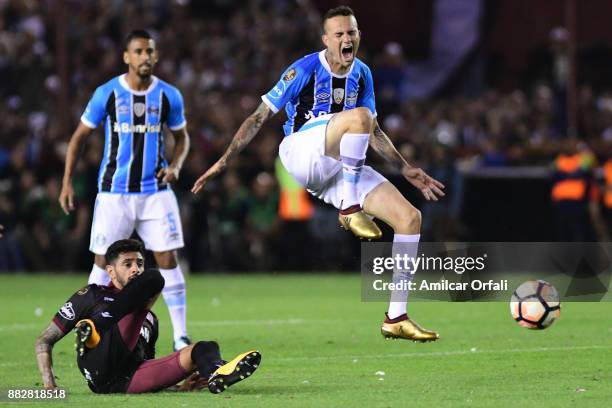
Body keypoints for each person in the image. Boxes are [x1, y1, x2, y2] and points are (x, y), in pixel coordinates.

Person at [191, 6, 444, 341]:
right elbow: (258, 116)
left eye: (351, 32)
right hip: (300, 151)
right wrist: (225, 160)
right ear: (326, 39)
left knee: (409, 218)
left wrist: (404, 166)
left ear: (358, 36)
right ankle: (350, 208)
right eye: (338, 34)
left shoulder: (363, 74)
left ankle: (396, 316)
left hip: (339, 166)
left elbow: (374, 131)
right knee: (359, 117)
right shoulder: (306, 69)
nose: (346, 38)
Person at [59, 29, 192, 350]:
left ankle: (180, 336)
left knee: (167, 259)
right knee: (102, 263)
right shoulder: (107, 93)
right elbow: (78, 137)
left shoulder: (168, 95)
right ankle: (89, 330)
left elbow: (182, 139)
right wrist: (66, 181)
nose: (145, 57)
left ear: (155, 56)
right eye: (138, 51)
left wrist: (174, 167)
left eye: (149, 51)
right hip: (113, 193)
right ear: (127, 57)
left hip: (155, 192)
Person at [35, 239, 261, 394]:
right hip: (98, 364)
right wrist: (49, 384)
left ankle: (216, 372)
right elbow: (44, 340)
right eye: (128, 264)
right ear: (111, 271)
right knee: (155, 278)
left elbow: (147, 364)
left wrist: (178, 387)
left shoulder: (151, 320)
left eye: (139, 264)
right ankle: (96, 331)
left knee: (205, 347)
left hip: (126, 380)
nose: (136, 269)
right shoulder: (91, 296)